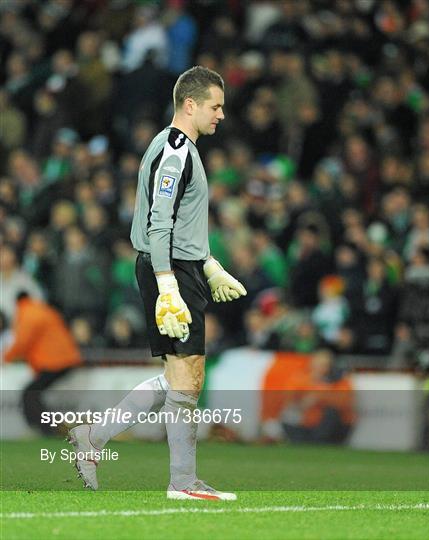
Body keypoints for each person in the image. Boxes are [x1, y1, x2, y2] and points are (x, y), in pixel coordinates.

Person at [68, 66, 246, 500]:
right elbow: (159, 222)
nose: (221, 114)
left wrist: (208, 263)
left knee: (181, 376)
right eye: (215, 105)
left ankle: (94, 437)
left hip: (179, 267)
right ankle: (181, 482)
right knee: (187, 378)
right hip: (168, 270)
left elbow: (179, 223)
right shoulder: (176, 151)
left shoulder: (176, 148)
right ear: (190, 104)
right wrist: (169, 283)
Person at [3, 292, 82, 435]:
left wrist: (6, 357)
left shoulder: (27, 313)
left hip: (56, 361)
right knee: (33, 393)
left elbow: (22, 341)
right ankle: (48, 427)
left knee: (30, 393)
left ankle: (46, 428)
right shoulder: (41, 309)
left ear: (17, 302)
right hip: (65, 358)